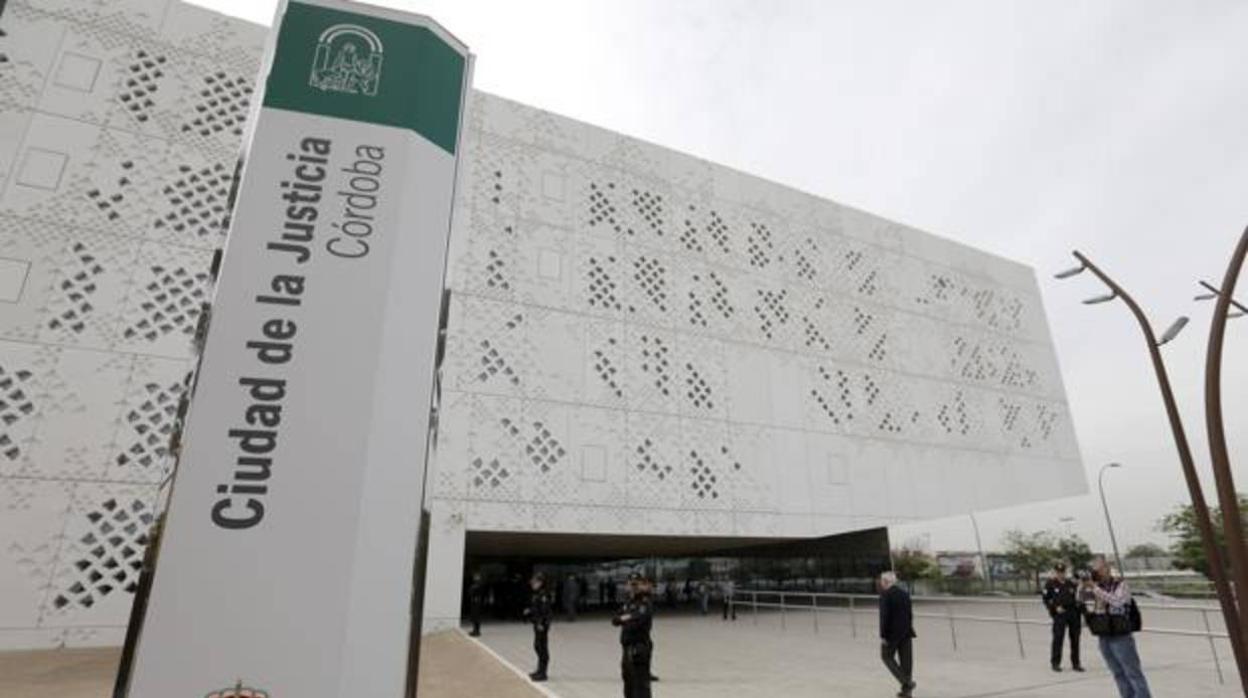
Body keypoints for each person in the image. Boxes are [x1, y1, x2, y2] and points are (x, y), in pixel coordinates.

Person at [1081, 556, 1151, 697]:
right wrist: (1082, 585)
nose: (1097, 571)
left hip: (1120, 635)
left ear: (1107, 569)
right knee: (1117, 673)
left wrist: (1095, 588)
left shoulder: (1120, 585)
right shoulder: (1096, 587)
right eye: (1094, 569)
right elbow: (1082, 600)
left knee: (1132, 672)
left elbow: (1117, 601)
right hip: (1104, 634)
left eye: (1099, 568)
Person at [613, 572, 654, 698]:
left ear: (642, 585)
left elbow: (639, 621)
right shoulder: (627, 603)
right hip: (626, 648)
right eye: (631, 584)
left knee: (640, 686)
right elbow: (615, 620)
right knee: (628, 684)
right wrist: (628, 617)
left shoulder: (644, 603)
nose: (634, 587)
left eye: (636, 584)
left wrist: (625, 618)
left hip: (639, 647)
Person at [878, 571, 917, 698]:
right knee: (906, 663)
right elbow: (910, 614)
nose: (880, 583)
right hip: (906, 632)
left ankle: (907, 683)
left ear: (885, 582)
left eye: (881, 581)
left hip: (892, 634)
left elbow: (885, 617)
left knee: (886, 656)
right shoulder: (904, 594)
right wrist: (908, 627)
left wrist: (883, 635)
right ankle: (907, 693)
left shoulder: (885, 595)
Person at [1042, 562, 1084, 672]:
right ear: (1055, 572)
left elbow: (1078, 596)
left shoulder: (1071, 584)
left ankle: (1076, 663)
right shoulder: (1050, 584)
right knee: (1058, 638)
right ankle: (1055, 663)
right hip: (1060, 614)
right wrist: (1054, 608)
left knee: (1075, 639)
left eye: (1063, 572)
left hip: (1073, 613)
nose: (1061, 574)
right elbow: (1046, 599)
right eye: (1058, 572)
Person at [522, 572, 554, 682]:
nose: (532, 584)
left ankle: (543, 673)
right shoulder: (537, 594)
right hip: (537, 623)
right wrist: (529, 611)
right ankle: (539, 670)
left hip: (542, 624)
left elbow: (545, 611)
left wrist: (541, 623)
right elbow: (537, 608)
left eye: (534, 582)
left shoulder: (544, 594)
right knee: (537, 646)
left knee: (542, 648)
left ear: (540, 583)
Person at [468, 572, 486, 637]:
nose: (475, 578)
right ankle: (475, 630)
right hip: (475, 602)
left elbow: (472, 592)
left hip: (477, 602)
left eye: (476, 577)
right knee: (474, 617)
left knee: (476, 617)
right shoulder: (476, 585)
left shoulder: (478, 585)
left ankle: (476, 631)